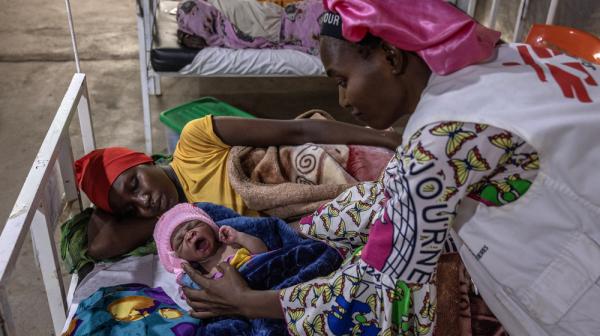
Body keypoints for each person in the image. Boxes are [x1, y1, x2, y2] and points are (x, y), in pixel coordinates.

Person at [181, 1, 600, 335]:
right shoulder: (513, 58)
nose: (343, 101)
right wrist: (296, 232)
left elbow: (380, 295)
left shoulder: (440, 140)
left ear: (390, 56)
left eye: (342, 79)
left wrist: (244, 302)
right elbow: (394, 194)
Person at [76, 115, 400, 260]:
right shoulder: (181, 224)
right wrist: (108, 206)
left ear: (145, 159)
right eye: (131, 209)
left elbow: (295, 132)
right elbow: (99, 248)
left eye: (135, 183)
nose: (143, 200)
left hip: (308, 165)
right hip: (306, 221)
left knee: (402, 186)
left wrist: (385, 138)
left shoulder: (194, 141)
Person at [154, 203, 268, 289]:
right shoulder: (202, 276)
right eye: (180, 241)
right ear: (179, 257)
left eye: (193, 225)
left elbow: (263, 251)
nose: (189, 234)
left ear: (209, 225)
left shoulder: (233, 243)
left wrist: (240, 237)